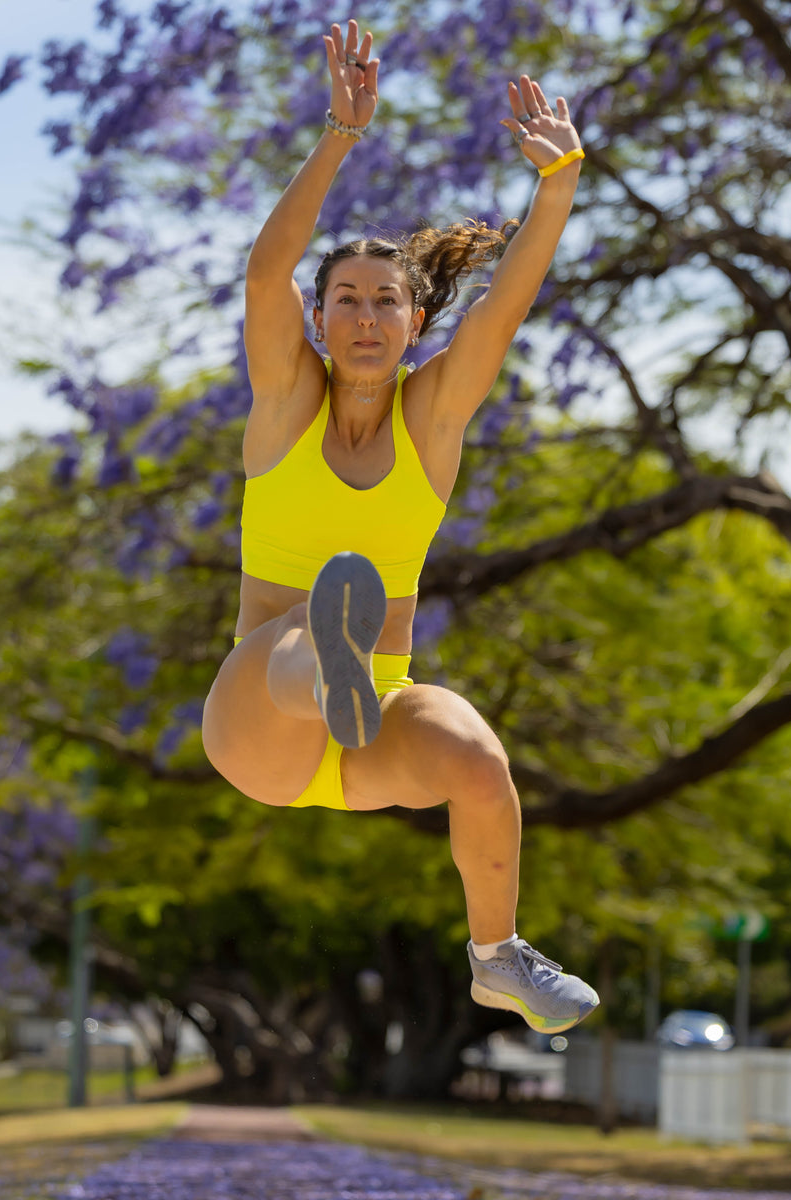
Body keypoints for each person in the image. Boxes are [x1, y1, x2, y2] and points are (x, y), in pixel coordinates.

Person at [203, 18, 598, 1033]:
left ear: (415, 321)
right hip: (261, 720)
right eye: (344, 299)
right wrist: (341, 130)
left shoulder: (433, 417)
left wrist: (555, 189)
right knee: (303, 632)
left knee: (476, 756)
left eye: (386, 300)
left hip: (374, 724)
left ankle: (497, 955)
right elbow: (262, 274)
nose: (367, 315)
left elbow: (500, 315)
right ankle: (328, 659)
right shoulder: (287, 401)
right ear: (320, 320)